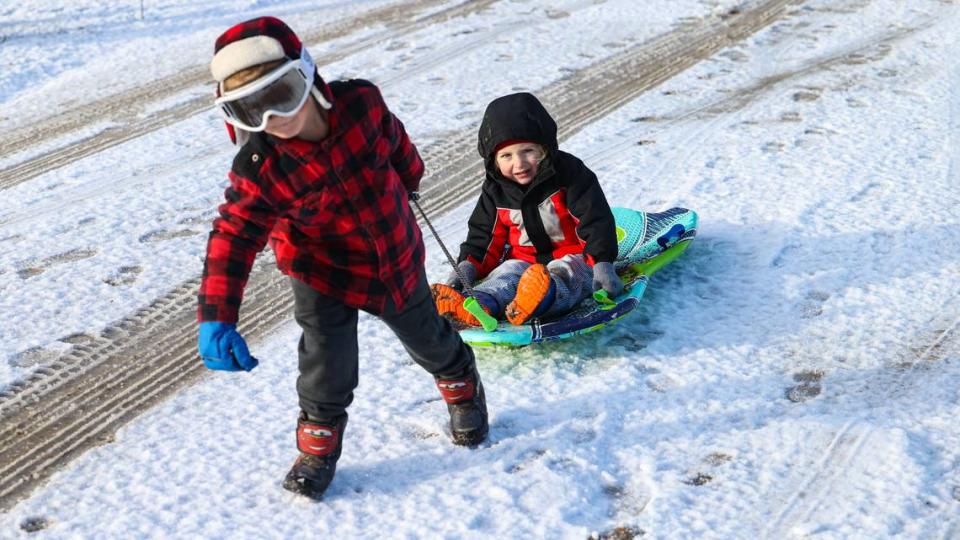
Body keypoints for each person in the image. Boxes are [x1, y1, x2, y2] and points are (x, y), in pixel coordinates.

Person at [195, 16, 487, 501]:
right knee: (326, 365)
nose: (272, 120)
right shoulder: (262, 167)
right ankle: (318, 445)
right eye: (251, 111)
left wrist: (409, 176)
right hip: (320, 273)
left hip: (391, 254)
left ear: (306, 74)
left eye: (280, 94)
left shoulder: (361, 105)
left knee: (427, 338)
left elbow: (395, 141)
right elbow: (233, 236)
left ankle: (462, 384)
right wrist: (217, 316)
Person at [431, 92, 624, 327]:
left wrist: (602, 263)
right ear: (494, 160)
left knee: (565, 273)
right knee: (506, 274)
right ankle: (479, 305)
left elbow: (594, 220)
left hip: (576, 256)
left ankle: (539, 300)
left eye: (528, 151)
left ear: (545, 148)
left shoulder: (570, 174)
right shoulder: (495, 190)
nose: (519, 163)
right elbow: (483, 236)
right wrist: (467, 267)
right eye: (507, 155)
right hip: (524, 262)